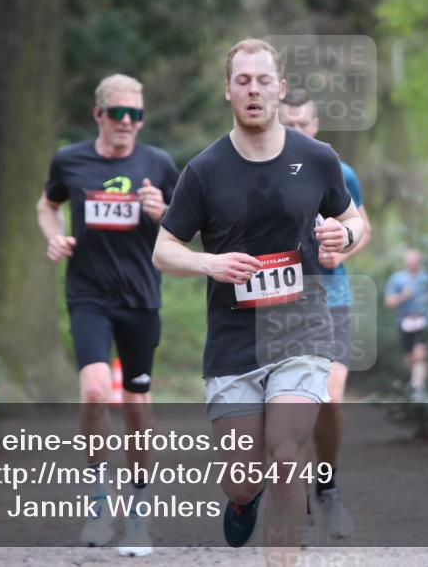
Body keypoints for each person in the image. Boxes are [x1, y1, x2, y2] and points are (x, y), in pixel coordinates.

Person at [153, 39, 365, 560]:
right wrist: (210, 263)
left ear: (280, 88)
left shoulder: (317, 158)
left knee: (288, 454)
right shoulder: (204, 171)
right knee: (245, 481)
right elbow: (163, 248)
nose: (253, 89)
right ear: (228, 91)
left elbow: (354, 219)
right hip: (233, 341)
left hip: (302, 330)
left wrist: (346, 237)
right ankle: (245, 502)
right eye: (243, 80)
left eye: (263, 80)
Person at [36, 73, 179, 556]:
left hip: (141, 298)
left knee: (138, 409)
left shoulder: (158, 163)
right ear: (98, 114)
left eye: (135, 114)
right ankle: (100, 500)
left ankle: (137, 512)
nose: (126, 122)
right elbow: (47, 205)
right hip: (88, 294)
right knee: (96, 389)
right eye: (117, 113)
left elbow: (186, 227)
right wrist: (54, 235)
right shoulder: (71, 160)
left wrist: (162, 211)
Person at [278, 89, 371, 542]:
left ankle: (328, 487)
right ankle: (298, 506)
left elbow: (362, 225)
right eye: (288, 124)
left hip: (331, 297)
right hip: (281, 301)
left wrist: (343, 246)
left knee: (328, 399)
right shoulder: (262, 172)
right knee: (291, 403)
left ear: (315, 126)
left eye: (303, 124)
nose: (297, 132)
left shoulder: (337, 170)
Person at [384, 248, 428, 401]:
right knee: (410, 358)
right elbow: (389, 302)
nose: (413, 262)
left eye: (415, 259)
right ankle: (414, 383)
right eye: (410, 259)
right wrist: (403, 296)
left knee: (420, 355)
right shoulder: (397, 279)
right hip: (405, 322)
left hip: (423, 321)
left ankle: (418, 389)